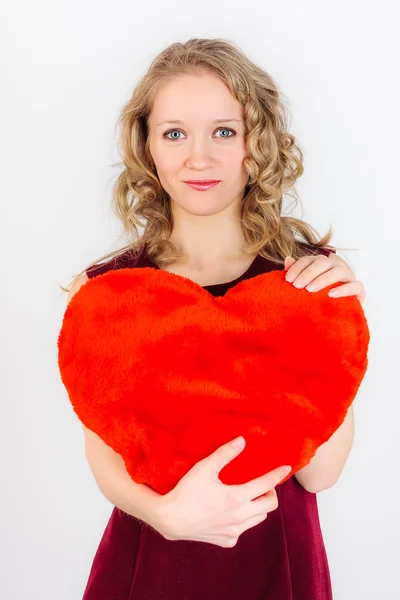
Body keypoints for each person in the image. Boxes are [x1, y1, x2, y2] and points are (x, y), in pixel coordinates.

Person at [62, 37, 365, 600]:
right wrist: (166, 516)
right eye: (174, 132)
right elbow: (103, 455)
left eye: (224, 131)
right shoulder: (108, 294)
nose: (198, 158)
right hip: (150, 557)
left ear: (259, 143)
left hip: (279, 563)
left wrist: (333, 324)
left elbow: (320, 474)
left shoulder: (307, 283)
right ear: (147, 145)